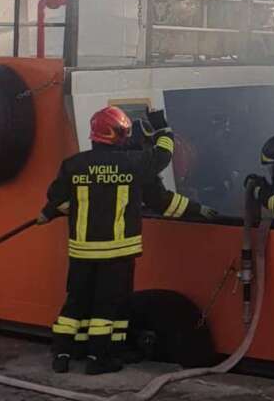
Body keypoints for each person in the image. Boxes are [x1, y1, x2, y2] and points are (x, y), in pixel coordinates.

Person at [37, 106, 175, 375]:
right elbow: (163, 156)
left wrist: (61, 211)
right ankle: (98, 359)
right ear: (118, 134)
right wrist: (163, 129)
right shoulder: (132, 163)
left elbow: (57, 200)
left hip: (82, 251)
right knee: (106, 305)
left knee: (76, 301)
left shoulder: (73, 164)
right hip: (117, 252)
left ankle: (64, 353)